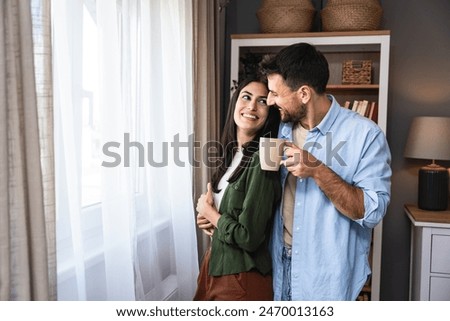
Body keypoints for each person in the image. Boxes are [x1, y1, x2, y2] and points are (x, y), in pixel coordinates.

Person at [259, 42, 392, 301]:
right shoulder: (281, 126)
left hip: (326, 279)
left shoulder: (365, 135)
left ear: (304, 94)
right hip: (278, 265)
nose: (270, 100)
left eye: (276, 93)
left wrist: (317, 169)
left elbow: (372, 212)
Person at [193, 76, 281, 300]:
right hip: (213, 266)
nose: (252, 106)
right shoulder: (230, 155)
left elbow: (248, 237)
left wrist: (211, 214)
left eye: (262, 101)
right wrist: (208, 219)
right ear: (235, 103)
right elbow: (223, 216)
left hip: (242, 277)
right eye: (246, 97)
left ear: (269, 112)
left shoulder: (265, 157)